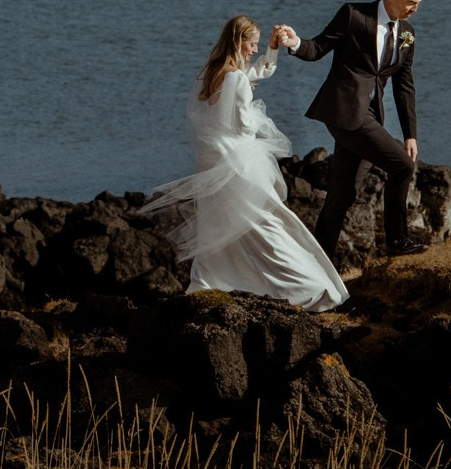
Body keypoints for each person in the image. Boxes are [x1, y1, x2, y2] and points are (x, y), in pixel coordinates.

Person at [139, 16, 349, 311]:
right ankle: (310, 288)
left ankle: (210, 282)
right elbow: (243, 125)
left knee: (220, 228)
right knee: (270, 224)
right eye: (251, 44)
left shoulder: (212, 72)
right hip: (238, 164)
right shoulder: (236, 78)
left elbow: (254, 73)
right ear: (238, 42)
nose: (253, 50)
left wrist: (272, 50)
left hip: (212, 162)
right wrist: (257, 114)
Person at [271, 0, 426, 262]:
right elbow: (317, 48)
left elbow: (404, 86)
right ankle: (397, 240)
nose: (415, 10)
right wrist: (294, 43)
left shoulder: (407, 34)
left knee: (341, 197)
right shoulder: (354, 15)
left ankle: (317, 265)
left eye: (419, 4)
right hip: (344, 113)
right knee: (402, 167)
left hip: (369, 116)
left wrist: (410, 134)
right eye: (410, 3)